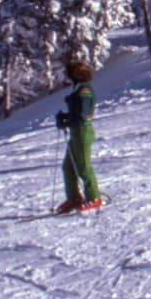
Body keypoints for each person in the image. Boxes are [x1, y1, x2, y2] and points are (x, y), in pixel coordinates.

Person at [56, 59, 102, 213]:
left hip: (82, 131)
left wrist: (67, 120)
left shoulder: (84, 91)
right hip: (77, 131)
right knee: (68, 166)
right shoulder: (79, 89)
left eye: (70, 73)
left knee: (83, 166)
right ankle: (74, 197)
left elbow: (82, 115)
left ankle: (94, 197)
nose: (68, 77)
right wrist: (66, 117)